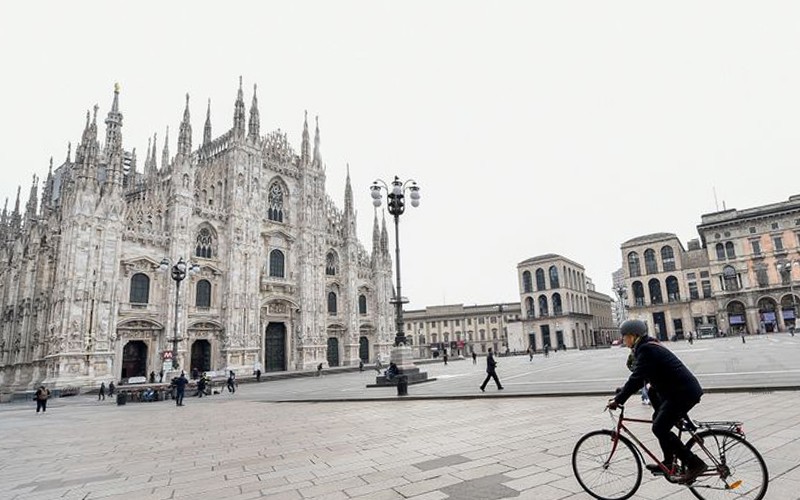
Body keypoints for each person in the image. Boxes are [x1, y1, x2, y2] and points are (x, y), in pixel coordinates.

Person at [607, 319, 707, 484]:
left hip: (682, 393)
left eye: (624, 336)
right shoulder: (648, 346)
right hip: (678, 392)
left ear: (633, 336)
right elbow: (645, 377)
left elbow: (637, 378)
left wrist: (619, 400)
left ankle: (695, 464)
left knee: (659, 427)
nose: (623, 340)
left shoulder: (646, 349)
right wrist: (622, 391)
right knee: (658, 421)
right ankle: (668, 462)